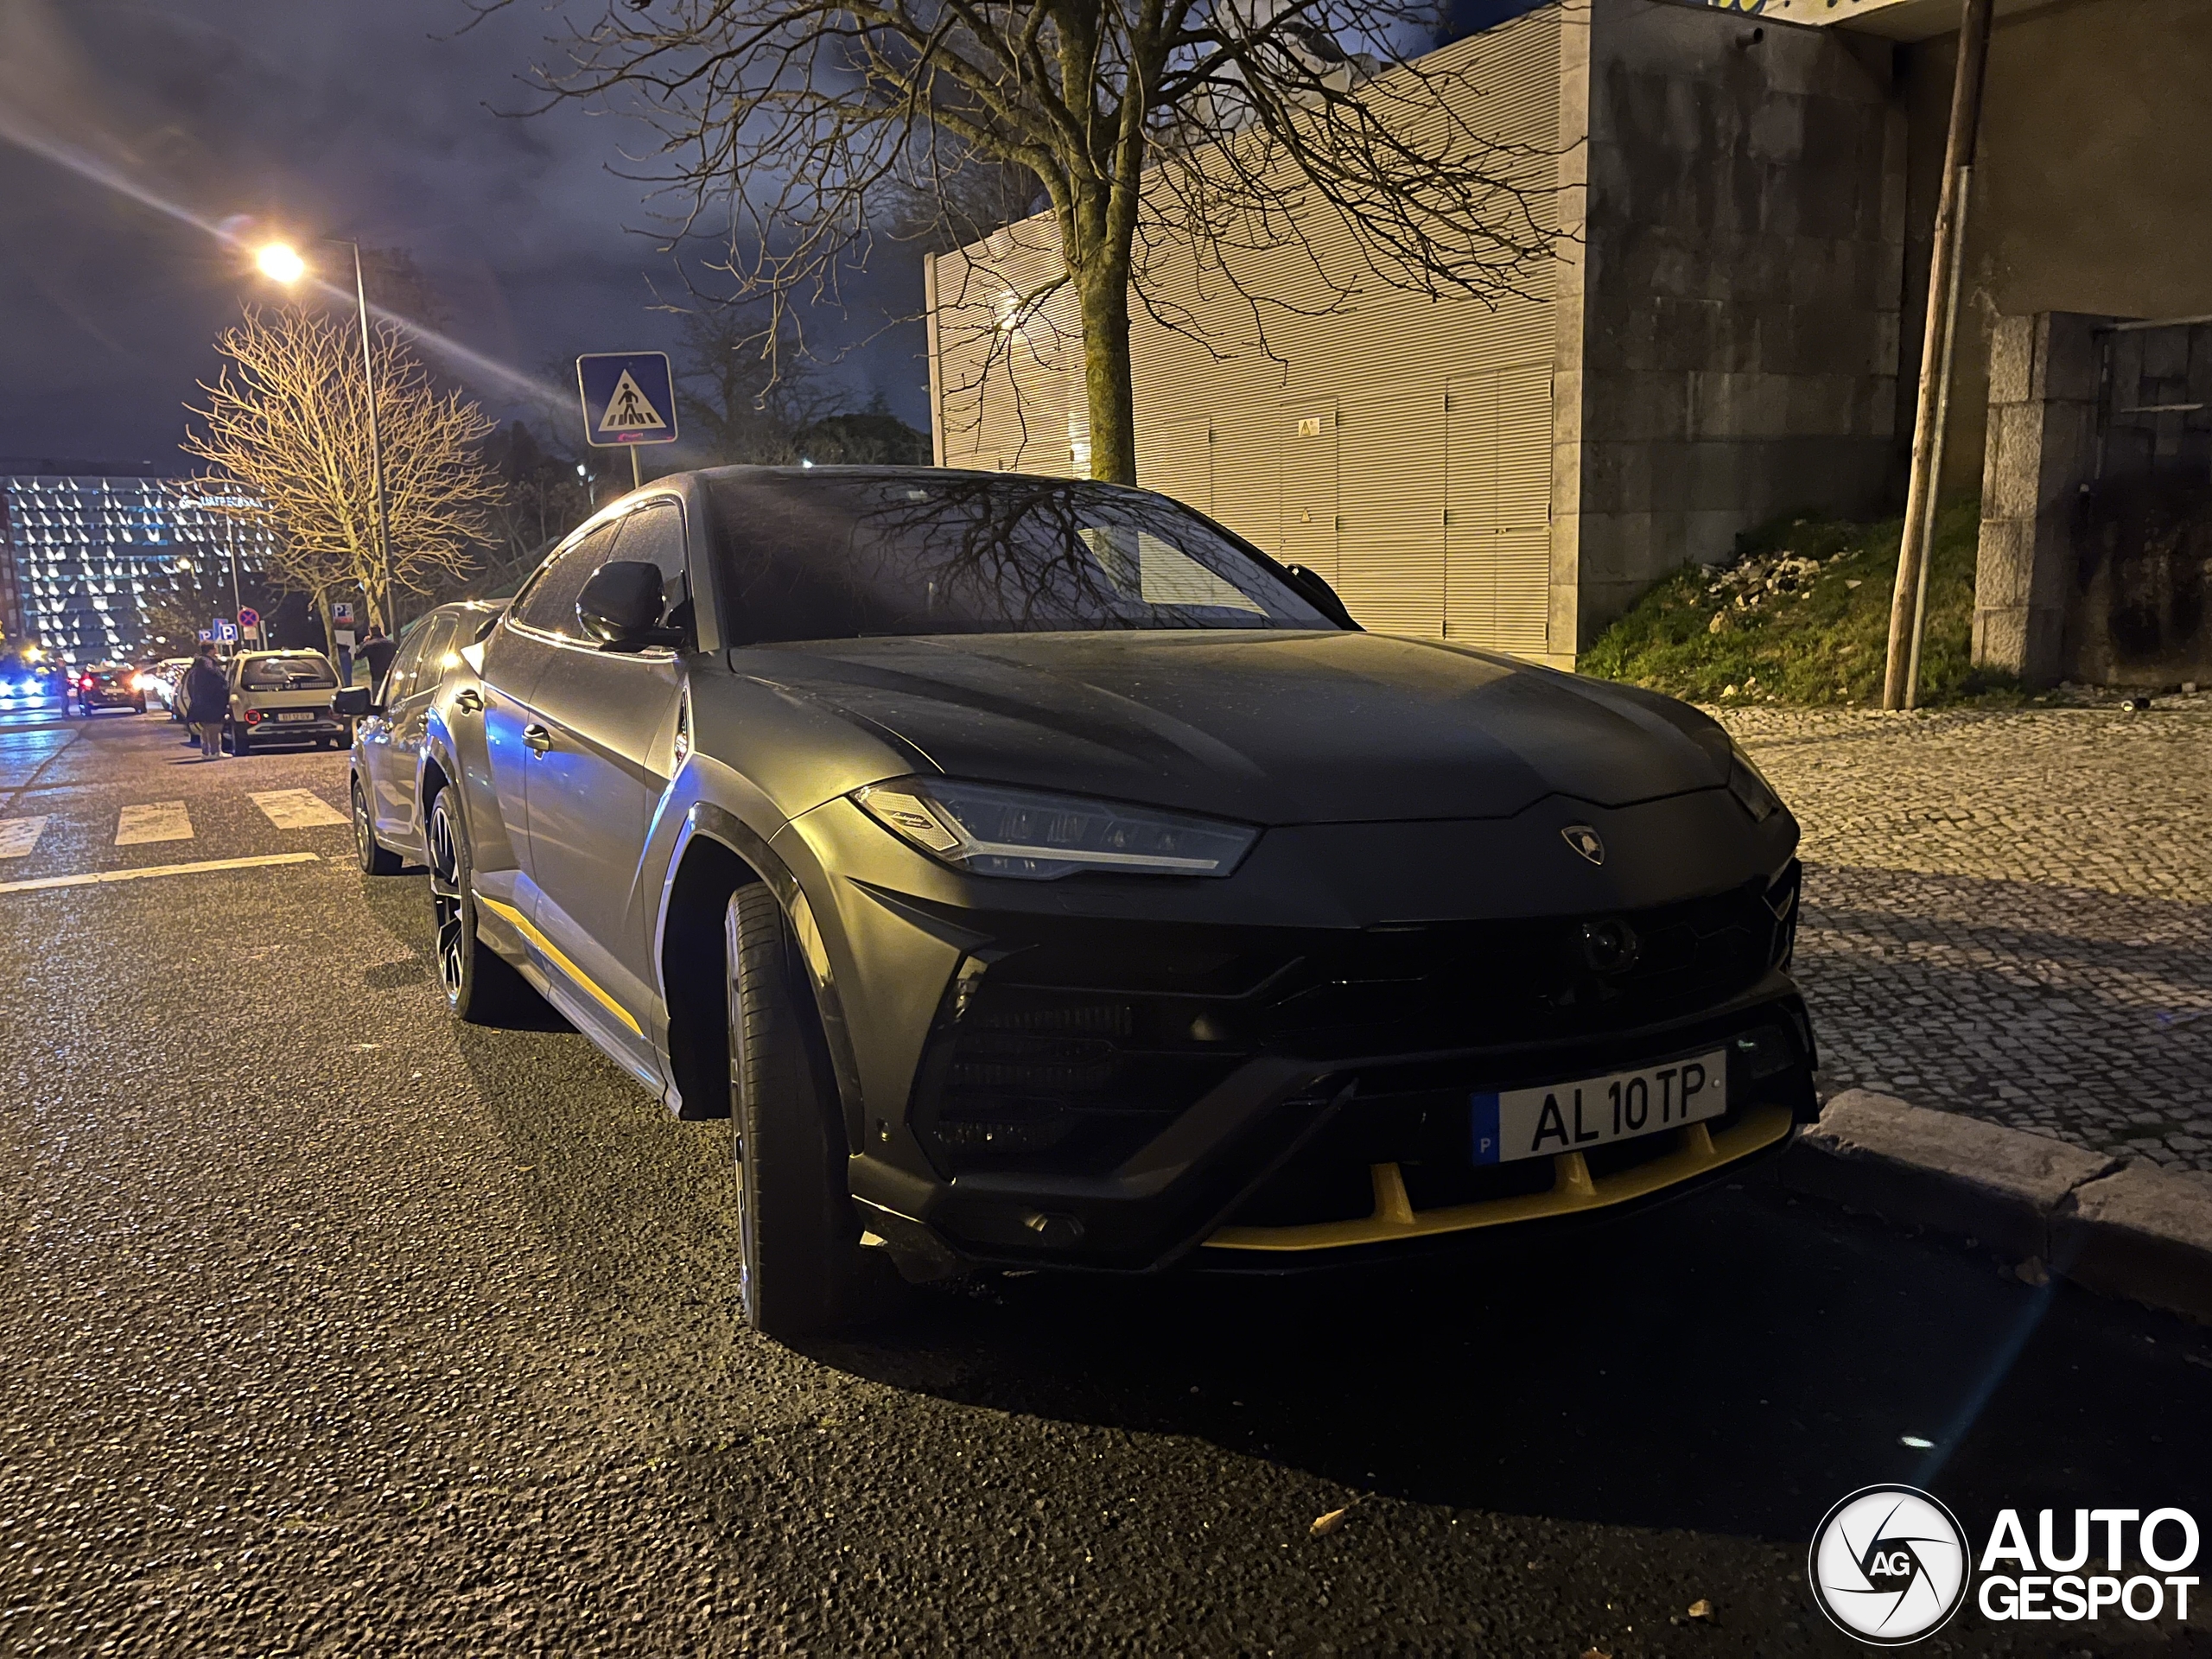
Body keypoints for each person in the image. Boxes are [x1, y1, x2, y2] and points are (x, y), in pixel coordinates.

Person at [182, 643, 229, 761]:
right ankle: (214, 751)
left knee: (206, 727)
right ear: (212, 650)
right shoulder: (208, 664)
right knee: (214, 727)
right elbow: (217, 680)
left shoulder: (199, 664)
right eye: (215, 649)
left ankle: (207, 751)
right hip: (211, 701)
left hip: (202, 701)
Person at [355, 624, 398, 694]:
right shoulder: (392, 644)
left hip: (377, 676)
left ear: (370, 632)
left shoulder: (369, 645)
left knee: (377, 696)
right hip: (390, 675)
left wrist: (363, 643)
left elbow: (358, 656)